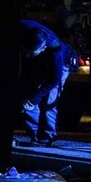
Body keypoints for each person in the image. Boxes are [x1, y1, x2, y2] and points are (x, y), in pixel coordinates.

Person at [19, 19, 76, 147]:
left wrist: (33, 100)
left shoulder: (55, 48)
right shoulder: (23, 29)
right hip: (39, 63)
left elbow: (54, 79)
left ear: (43, 48)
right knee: (28, 97)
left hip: (62, 63)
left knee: (49, 101)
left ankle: (48, 136)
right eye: (26, 52)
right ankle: (34, 136)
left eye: (31, 53)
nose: (27, 55)